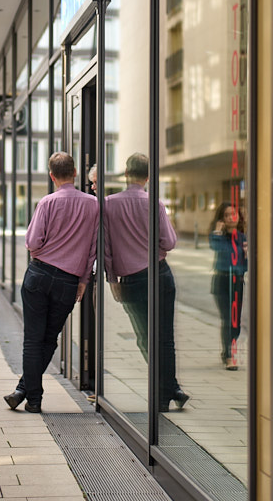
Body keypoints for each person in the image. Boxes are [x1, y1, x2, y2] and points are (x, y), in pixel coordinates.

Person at [4, 151, 98, 413]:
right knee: (50, 339)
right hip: (68, 282)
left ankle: (30, 396)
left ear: (52, 175)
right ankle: (27, 391)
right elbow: (93, 248)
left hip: (40, 275)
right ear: (76, 173)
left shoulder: (47, 203)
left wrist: (40, 253)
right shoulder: (93, 204)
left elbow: (32, 243)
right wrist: (82, 280)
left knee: (33, 340)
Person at [104, 152, 189, 412]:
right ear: (148, 177)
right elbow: (170, 242)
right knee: (165, 337)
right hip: (160, 274)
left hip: (131, 281)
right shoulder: (155, 203)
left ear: (126, 174)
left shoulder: (108, 204)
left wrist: (112, 279)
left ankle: (167, 389)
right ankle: (169, 390)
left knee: (144, 337)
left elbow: (105, 247)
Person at [209, 201, 247, 370]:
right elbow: (216, 247)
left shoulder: (243, 238)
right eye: (226, 215)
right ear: (221, 219)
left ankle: (227, 351)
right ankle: (229, 356)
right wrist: (218, 231)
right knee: (227, 319)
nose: (231, 217)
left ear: (239, 216)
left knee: (236, 322)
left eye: (233, 213)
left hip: (237, 281)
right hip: (222, 281)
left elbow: (244, 265)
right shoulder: (218, 236)